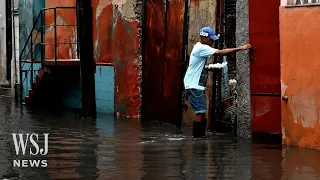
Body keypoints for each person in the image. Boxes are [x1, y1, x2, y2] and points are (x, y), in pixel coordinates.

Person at [184, 27, 252, 138]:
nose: (212, 42)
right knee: (200, 112)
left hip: (194, 84)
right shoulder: (202, 47)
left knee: (201, 111)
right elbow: (220, 52)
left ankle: (199, 137)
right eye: (211, 39)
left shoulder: (199, 46)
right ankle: (197, 138)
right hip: (194, 85)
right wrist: (241, 48)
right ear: (204, 37)